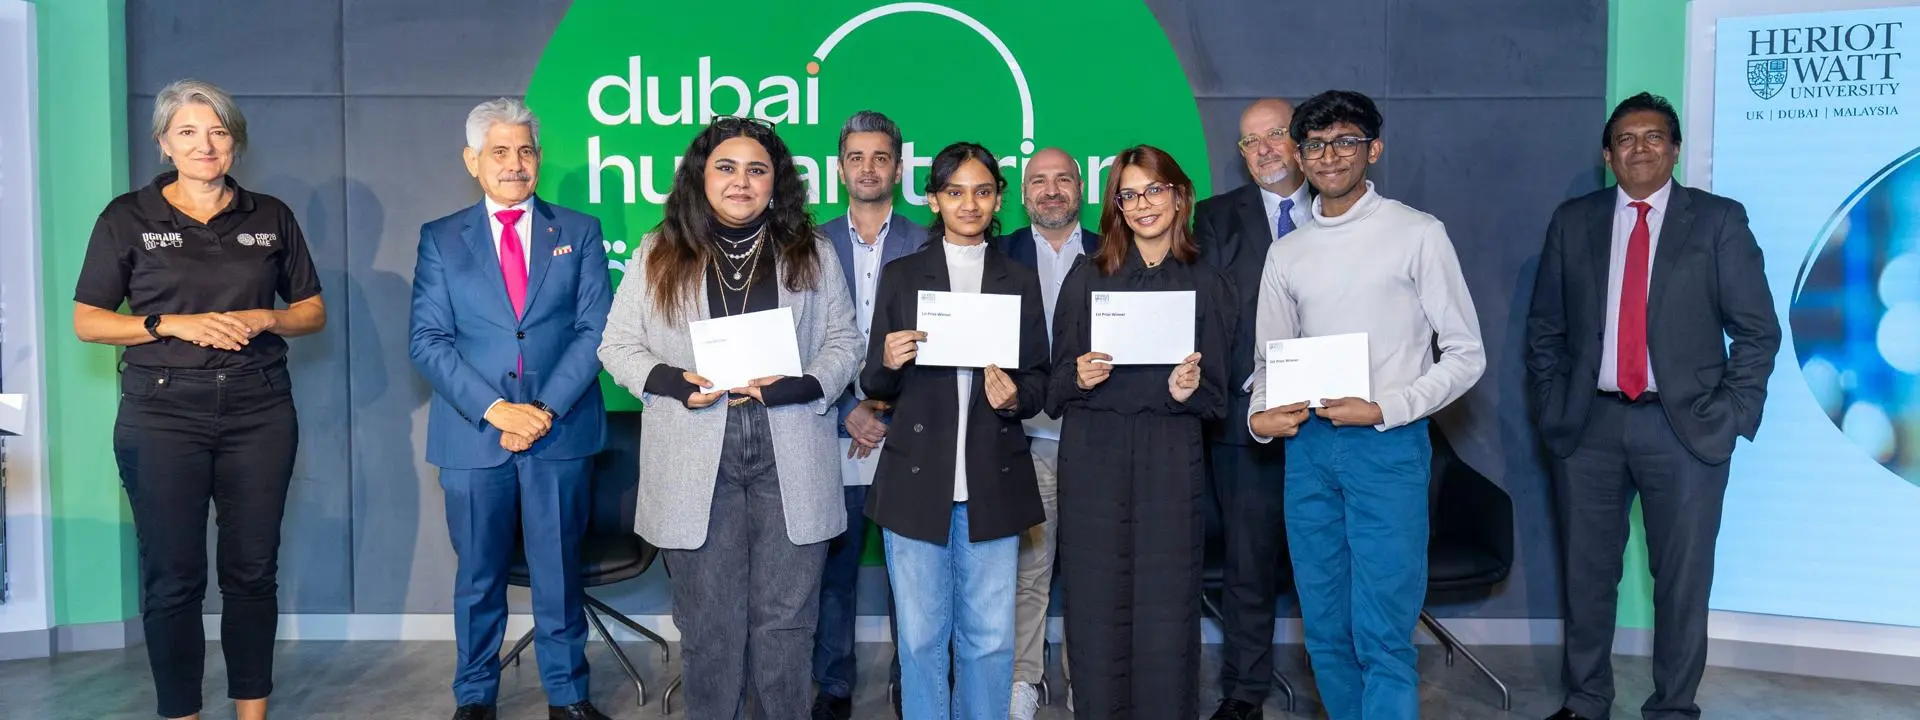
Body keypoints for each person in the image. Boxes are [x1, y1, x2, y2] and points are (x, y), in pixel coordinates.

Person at [72, 79, 326, 720]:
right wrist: (167, 324)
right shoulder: (125, 218)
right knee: (174, 577)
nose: (204, 144)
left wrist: (270, 320)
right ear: (164, 142)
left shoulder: (270, 216)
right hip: (162, 413)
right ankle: (180, 713)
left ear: (234, 141)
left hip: (259, 409)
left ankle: (251, 713)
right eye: (187, 132)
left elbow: (311, 310)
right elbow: (89, 321)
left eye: (217, 131)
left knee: (251, 571)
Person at [598, 116, 863, 719]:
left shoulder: (812, 251)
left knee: (786, 627)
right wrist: (670, 381)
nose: (740, 180)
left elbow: (845, 342)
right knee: (709, 629)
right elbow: (616, 346)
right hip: (695, 452)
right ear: (700, 176)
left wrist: (801, 384)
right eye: (726, 166)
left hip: (789, 447)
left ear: (777, 182)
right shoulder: (658, 250)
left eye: (756, 169)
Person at [1527, 92, 1779, 720]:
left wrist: (1731, 413)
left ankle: (1673, 708)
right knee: (1586, 579)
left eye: (1654, 137)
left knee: (1683, 583)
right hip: (1589, 427)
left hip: (1685, 428)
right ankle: (1585, 703)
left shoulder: (1718, 221)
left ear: (1675, 149)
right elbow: (1545, 332)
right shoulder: (1573, 220)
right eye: (1626, 139)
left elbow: (1757, 330)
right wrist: (1551, 404)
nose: (1639, 148)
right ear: (1608, 154)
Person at [1246, 90, 1485, 720]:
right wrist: (1260, 418)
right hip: (1309, 452)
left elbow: (1467, 354)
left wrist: (1386, 407)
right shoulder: (1287, 251)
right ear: (1300, 155)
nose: (1330, 157)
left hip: (1387, 446)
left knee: (1381, 634)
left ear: (1372, 148)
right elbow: (1269, 363)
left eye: (1346, 141)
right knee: (1324, 630)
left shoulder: (1417, 233)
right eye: (1316, 145)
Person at [409, 98, 614, 720]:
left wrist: (543, 410)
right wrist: (498, 409)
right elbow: (428, 340)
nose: (515, 163)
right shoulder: (441, 238)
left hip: (559, 433)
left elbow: (594, 331)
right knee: (478, 578)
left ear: (539, 158)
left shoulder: (578, 232)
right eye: (500, 151)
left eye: (525, 150)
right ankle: (475, 697)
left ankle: (568, 697)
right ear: (473, 161)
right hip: (475, 437)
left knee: (558, 575)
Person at [861, 142, 1048, 719]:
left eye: (983, 191)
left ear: (998, 201)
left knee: (990, 640)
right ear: (934, 200)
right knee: (919, 641)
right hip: (918, 479)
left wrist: (1017, 396)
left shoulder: (1018, 277)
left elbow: (1040, 377)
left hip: (993, 477)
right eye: (955, 191)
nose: (970, 203)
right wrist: (890, 360)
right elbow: (874, 381)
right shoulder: (901, 275)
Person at [1048, 145, 1233, 719]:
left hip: (1169, 458)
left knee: (1166, 612)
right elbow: (1052, 389)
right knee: (1095, 609)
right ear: (1116, 206)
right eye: (1129, 194)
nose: (1143, 204)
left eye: (1155, 190)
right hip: (1094, 456)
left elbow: (1219, 398)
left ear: (1180, 197)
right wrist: (1077, 376)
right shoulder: (1087, 275)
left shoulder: (1209, 281)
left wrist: (1186, 391)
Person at [1191, 97, 1312, 720]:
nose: (1264, 148)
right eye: (1249, 141)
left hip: (1337, 419)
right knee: (1248, 566)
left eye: (1276, 135)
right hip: (1249, 425)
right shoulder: (1213, 220)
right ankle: (1245, 694)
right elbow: (1207, 321)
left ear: (1302, 140)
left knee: (1335, 564)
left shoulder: (1345, 208)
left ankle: (1344, 689)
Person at [814, 109, 923, 720]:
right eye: (856, 157)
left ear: (898, 168)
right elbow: (799, 344)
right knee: (836, 570)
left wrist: (886, 412)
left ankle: (915, 681)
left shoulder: (926, 242)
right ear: (840, 167)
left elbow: (938, 341)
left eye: (880, 157)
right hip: (833, 427)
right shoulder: (810, 244)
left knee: (915, 571)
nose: (868, 167)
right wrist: (850, 410)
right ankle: (833, 686)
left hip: (909, 431)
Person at [995, 146, 1100, 719]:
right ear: (1024, 192)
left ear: (1081, 187)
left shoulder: (1115, 252)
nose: (1052, 189)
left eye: (1063, 179)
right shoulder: (998, 255)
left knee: (1093, 571)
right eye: (1039, 181)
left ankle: (1089, 679)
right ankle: (1025, 680)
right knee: (1028, 572)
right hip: (1027, 438)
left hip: (1099, 441)